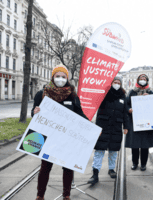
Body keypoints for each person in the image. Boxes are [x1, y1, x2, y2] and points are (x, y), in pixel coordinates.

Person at [32, 65, 88, 200]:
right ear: (53, 77)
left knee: (68, 167)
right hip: (49, 137)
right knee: (45, 167)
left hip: (67, 138)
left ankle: (66, 195)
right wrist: (35, 112)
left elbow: (80, 114)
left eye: (63, 77)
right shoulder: (42, 94)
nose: (60, 79)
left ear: (67, 78)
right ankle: (40, 195)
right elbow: (34, 113)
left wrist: (91, 127)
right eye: (57, 76)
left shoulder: (73, 95)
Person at [87, 76, 129, 186]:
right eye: (115, 82)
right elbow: (94, 103)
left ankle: (111, 169)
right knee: (99, 150)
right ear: (111, 83)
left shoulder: (123, 96)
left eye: (118, 82)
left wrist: (126, 126)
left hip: (116, 127)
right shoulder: (103, 93)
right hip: (102, 126)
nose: (117, 84)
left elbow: (125, 112)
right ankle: (95, 174)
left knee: (113, 151)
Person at [125, 74, 153, 171]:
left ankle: (143, 164)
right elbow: (126, 104)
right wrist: (129, 109)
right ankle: (135, 163)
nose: (143, 80)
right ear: (138, 81)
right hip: (134, 122)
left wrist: (150, 97)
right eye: (141, 79)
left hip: (147, 123)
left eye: (144, 79)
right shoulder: (132, 92)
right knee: (135, 145)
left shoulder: (151, 92)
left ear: (147, 81)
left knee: (145, 145)